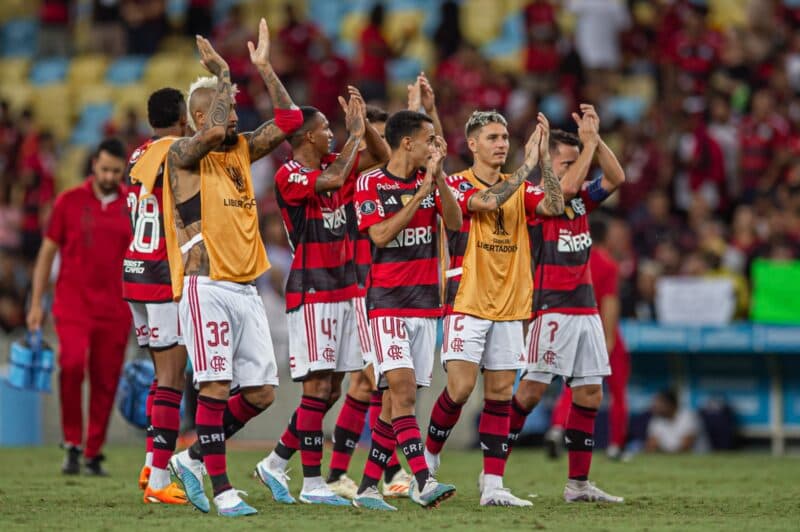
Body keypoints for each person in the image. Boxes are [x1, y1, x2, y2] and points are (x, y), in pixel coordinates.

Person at [163, 22, 303, 517]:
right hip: (207, 285)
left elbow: (288, 119)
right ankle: (222, 490)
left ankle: (193, 458)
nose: (236, 113)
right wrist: (223, 74)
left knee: (263, 392)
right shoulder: (182, 157)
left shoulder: (241, 149)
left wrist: (264, 69)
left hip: (245, 288)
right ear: (199, 116)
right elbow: (217, 128)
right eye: (225, 105)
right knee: (216, 387)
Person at [255, 87, 389, 506]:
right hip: (312, 290)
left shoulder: (336, 160)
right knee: (315, 388)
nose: (331, 134)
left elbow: (382, 158)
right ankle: (312, 482)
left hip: (346, 287)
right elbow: (331, 181)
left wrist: (362, 125)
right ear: (308, 137)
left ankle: (276, 461)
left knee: (331, 390)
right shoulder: (289, 174)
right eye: (325, 129)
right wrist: (353, 136)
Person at [423, 110, 564, 507]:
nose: (502, 143)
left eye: (505, 137)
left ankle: (494, 484)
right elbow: (484, 203)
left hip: (511, 303)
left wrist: (546, 164)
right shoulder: (453, 184)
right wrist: (526, 169)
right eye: (492, 137)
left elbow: (554, 206)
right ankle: (429, 456)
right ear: (472, 144)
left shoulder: (520, 186)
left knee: (501, 395)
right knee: (462, 388)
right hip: (466, 299)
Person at [504, 104, 627, 503]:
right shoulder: (536, 197)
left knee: (590, 395)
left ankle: (577, 486)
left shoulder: (580, 202)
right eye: (568, 161)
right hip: (551, 306)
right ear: (547, 164)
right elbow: (569, 187)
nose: (578, 166)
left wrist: (597, 139)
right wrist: (587, 146)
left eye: (578, 160)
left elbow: (616, 176)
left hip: (586, 308)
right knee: (531, 394)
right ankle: (492, 473)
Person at [351, 110, 462, 510]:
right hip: (387, 304)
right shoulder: (371, 183)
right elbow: (379, 235)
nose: (436, 145)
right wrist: (419, 196)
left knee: (391, 406)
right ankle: (422, 480)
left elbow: (454, 222)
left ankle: (365, 490)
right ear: (407, 143)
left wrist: (439, 180)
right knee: (401, 394)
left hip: (424, 305)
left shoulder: (429, 181)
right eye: (430, 140)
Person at [27, 138, 132, 476]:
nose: (109, 175)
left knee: (106, 379)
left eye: (116, 171)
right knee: (71, 365)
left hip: (116, 308)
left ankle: (92, 451)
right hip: (72, 304)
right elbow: (46, 254)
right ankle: (72, 440)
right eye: (104, 169)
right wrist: (35, 303)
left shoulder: (134, 205)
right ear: (93, 166)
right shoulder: (68, 202)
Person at [124, 88, 190, 504]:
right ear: (183, 116)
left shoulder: (138, 155)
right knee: (171, 378)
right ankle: (161, 478)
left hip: (134, 270)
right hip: (163, 274)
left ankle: (152, 461)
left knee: (159, 375)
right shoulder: (179, 152)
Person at [545, 215, 631, 461]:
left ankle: (557, 428)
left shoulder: (576, 260)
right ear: (606, 236)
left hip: (573, 327)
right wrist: (610, 339)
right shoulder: (609, 265)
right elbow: (610, 303)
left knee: (570, 387)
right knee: (617, 392)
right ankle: (615, 445)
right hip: (601, 331)